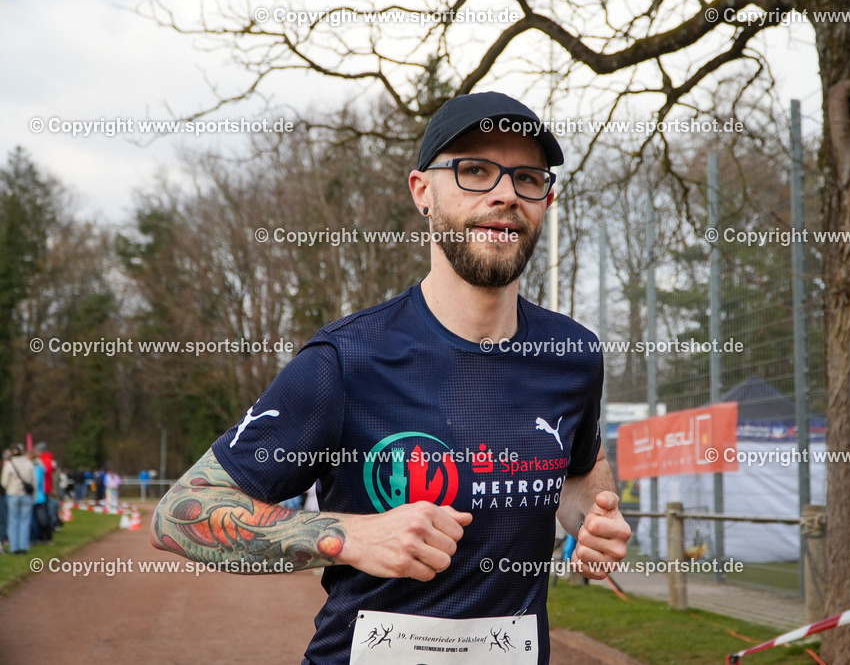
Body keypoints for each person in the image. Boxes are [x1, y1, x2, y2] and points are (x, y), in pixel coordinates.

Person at [152, 91, 632, 664]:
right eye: (475, 171)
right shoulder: (345, 361)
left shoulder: (573, 354)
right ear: (422, 192)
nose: (505, 193)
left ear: (546, 201)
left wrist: (593, 517)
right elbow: (180, 514)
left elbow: (579, 469)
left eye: (527, 178)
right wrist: (350, 536)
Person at [1, 445, 35, 554]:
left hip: (12, 495)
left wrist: (11, 488)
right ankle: (23, 547)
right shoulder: (29, 464)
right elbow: (33, 481)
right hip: (25, 495)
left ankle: (14, 547)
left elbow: (4, 482)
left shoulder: (9, 465)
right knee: (25, 521)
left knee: (13, 521)